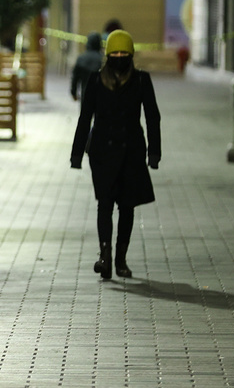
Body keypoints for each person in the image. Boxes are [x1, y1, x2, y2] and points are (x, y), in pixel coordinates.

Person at [70, 29, 161, 280]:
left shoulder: (142, 80)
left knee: (127, 207)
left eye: (124, 53)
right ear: (107, 55)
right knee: (104, 205)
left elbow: (153, 117)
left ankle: (121, 259)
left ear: (131, 55)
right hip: (101, 152)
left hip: (131, 152)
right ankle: (105, 257)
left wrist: (154, 153)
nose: (119, 57)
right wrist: (76, 154)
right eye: (115, 53)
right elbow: (84, 118)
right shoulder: (95, 80)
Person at [70, 32, 103, 101]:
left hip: (85, 94)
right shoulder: (102, 59)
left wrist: (73, 92)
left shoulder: (81, 59)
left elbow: (75, 77)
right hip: (100, 95)